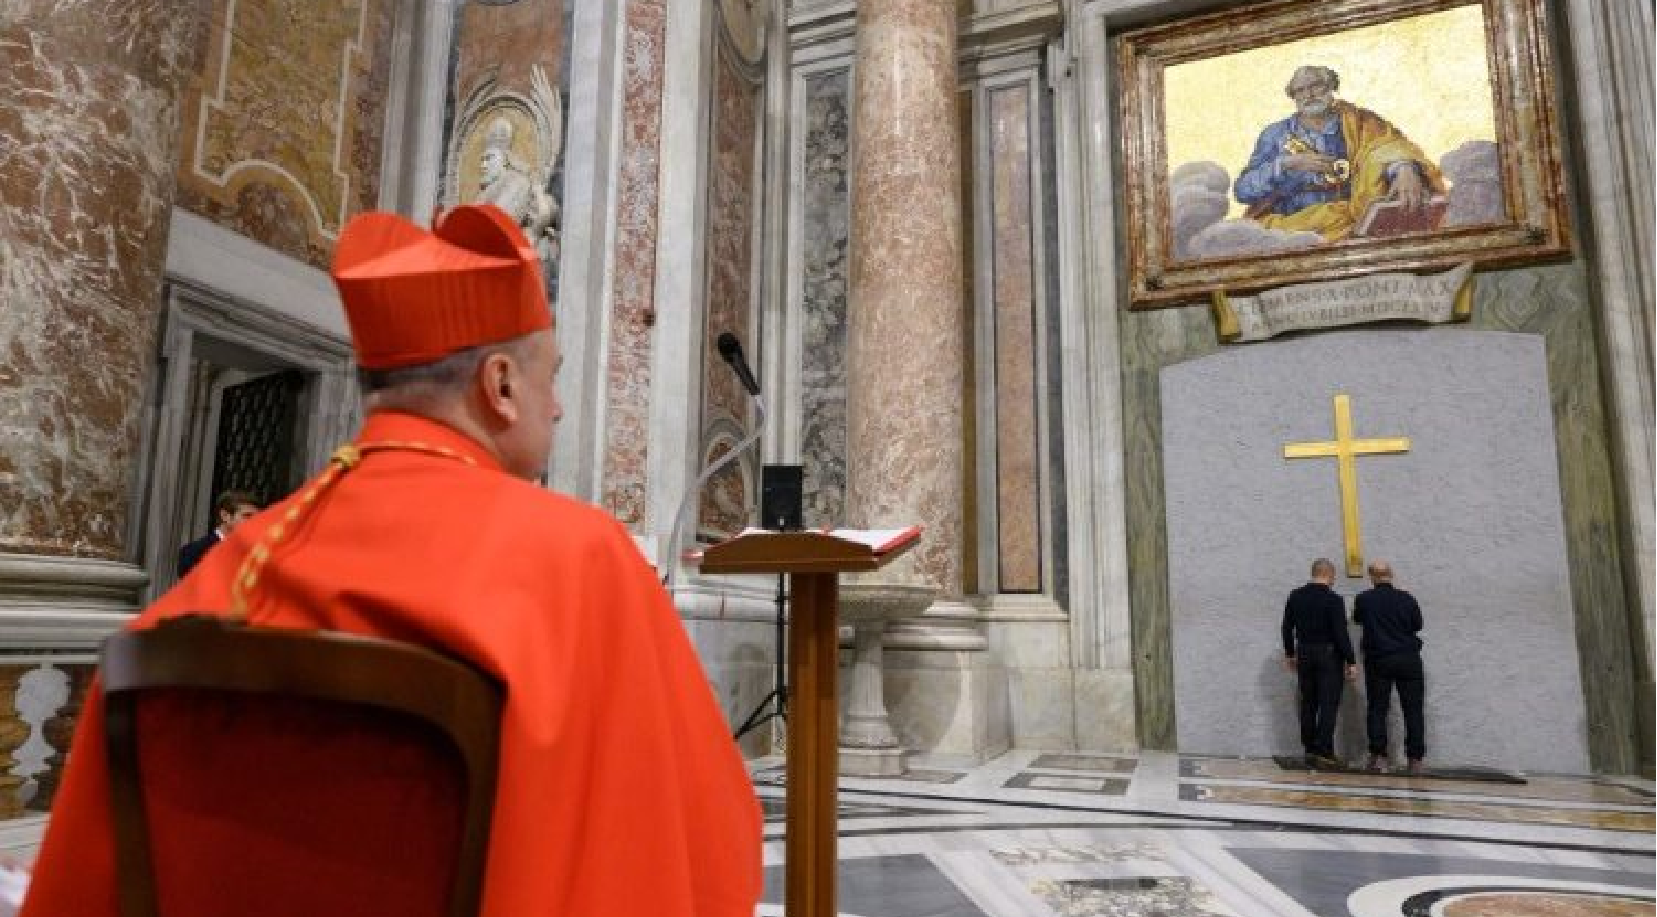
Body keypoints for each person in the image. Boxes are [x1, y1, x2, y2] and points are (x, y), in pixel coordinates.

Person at [21, 204, 762, 917]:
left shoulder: (237, 564)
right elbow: (705, 844)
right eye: (552, 376)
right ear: (500, 385)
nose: (559, 406)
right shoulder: (581, 558)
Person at [1234, 65, 1444, 241]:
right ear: (1293, 96)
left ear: (1331, 87)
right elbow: (1243, 190)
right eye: (1300, 90)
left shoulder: (1360, 121)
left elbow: (1387, 145)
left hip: (1357, 220)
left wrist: (1404, 167)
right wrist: (1287, 164)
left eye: (1316, 86)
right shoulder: (1275, 134)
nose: (1309, 95)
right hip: (1295, 228)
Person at [1282, 557, 1357, 769]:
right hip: (1328, 655)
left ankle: (1309, 750)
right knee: (1328, 704)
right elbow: (1340, 633)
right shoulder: (1333, 600)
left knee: (1308, 703)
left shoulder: (1295, 596)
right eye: (1334, 576)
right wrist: (1351, 660)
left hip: (1304, 652)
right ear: (1329, 574)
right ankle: (1324, 751)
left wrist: (1290, 653)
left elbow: (1287, 627)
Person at [1354, 560, 1426, 775]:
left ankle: (1379, 758)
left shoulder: (1364, 599)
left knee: (1377, 708)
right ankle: (1415, 761)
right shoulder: (1408, 598)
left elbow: (1358, 619)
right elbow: (1418, 625)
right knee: (1413, 710)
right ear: (1391, 574)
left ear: (1371, 576)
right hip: (1408, 659)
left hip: (1379, 659)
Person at [175, 490, 260, 578]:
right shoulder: (195, 551)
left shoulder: (256, 552)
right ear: (225, 516)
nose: (254, 521)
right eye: (247, 516)